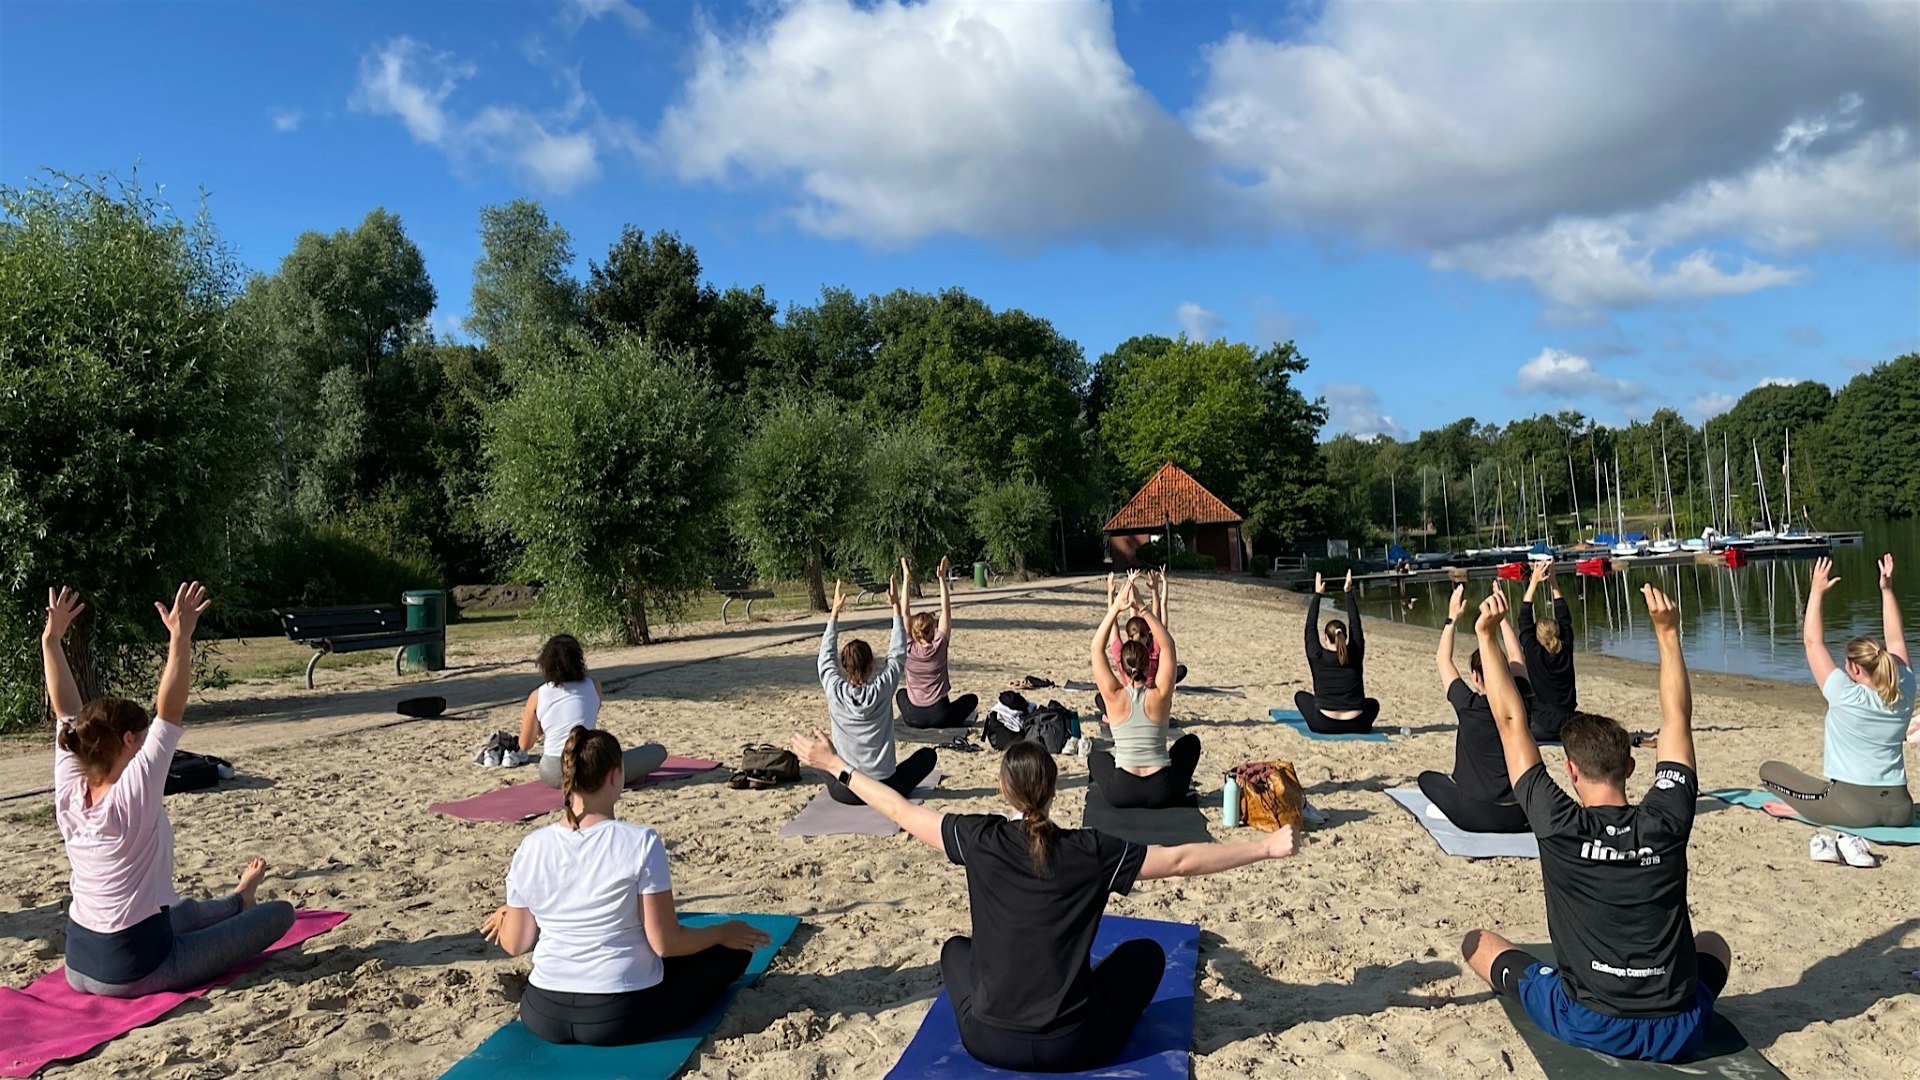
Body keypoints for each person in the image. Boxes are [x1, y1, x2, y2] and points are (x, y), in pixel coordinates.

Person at [788, 732, 1297, 1072]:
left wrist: (834, 763)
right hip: (1074, 1046)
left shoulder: (979, 839)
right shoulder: (1092, 850)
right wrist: (1267, 847)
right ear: (1055, 791)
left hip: (985, 1039)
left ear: (1004, 791)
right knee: (1144, 955)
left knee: (953, 951)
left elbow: (898, 808)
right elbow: (1183, 860)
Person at [1461, 584, 1733, 1064]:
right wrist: (1668, 635)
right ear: (1630, 769)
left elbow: (1510, 723)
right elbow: (1677, 720)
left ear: (1570, 770)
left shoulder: (1557, 822)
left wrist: (1487, 636)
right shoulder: (1666, 818)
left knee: (1477, 943)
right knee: (1714, 946)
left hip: (1589, 1021)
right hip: (1678, 1028)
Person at [44, 582, 296, 997]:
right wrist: (181, 637)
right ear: (128, 740)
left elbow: (65, 709)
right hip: (134, 969)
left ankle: (237, 898)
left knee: (181, 911)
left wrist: (51, 640)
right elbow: (170, 710)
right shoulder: (133, 792)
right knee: (279, 915)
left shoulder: (73, 782)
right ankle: (243, 909)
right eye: (140, 738)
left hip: (79, 960)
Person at [481, 728, 772, 1046]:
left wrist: (508, 912)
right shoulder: (640, 841)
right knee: (731, 953)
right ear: (615, 775)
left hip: (542, 1012)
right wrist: (722, 932)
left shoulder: (531, 846)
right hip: (618, 1015)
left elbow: (516, 943)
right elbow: (665, 943)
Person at [1760, 555, 1913, 840]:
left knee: (1769, 770)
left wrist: (1816, 591)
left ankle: (1805, 809)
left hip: (1853, 809)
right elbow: (1896, 640)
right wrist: (1887, 589)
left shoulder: (1846, 694)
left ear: (1855, 668)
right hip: (1901, 809)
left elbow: (1812, 642)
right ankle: (1815, 807)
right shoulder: (1904, 686)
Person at [1420, 585, 1531, 833]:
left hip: (1477, 814)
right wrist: (1500, 621)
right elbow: (1516, 657)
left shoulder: (1469, 705)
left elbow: (1442, 659)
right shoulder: (1524, 699)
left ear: (1475, 676)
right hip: (1519, 814)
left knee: (1427, 779)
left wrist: (1452, 617)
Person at [1085, 573, 1199, 809]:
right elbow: (1168, 644)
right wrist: (1143, 607)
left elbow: (1096, 648)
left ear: (1123, 668)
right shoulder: (1160, 694)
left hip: (1122, 792)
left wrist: (1116, 607)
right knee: (1191, 744)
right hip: (1163, 791)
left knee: (1095, 758)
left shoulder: (1113, 696)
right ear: (1149, 665)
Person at [820, 578, 936, 805]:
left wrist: (834, 613)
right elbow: (897, 653)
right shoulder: (883, 688)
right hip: (884, 788)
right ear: (872, 664)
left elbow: (825, 658)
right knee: (927, 757)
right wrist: (895, 607)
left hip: (846, 789)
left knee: (819, 759)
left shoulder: (834, 689)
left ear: (845, 666)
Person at [519, 634, 666, 789]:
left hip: (552, 770)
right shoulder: (593, 686)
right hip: (589, 766)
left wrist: (541, 728)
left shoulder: (537, 696)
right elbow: (585, 717)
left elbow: (525, 744)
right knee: (657, 751)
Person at [897, 556, 979, 729]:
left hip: (913, 717)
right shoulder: (940, 644)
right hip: (940, 715)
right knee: (972, 700)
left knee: (901, 694)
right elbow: (946, 610)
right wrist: (941, 578)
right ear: (932, 631)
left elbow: (904, 611)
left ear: (914, 631)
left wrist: (905, 577)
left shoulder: (907, 646)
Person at [1297, 569, 1379, 734]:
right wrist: (1348, 592)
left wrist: (1317, 594)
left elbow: (1309, 628)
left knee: (1300, 696)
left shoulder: (1316, 655)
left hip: (1323, 724)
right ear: (1346, 637)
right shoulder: (1355, 652)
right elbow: (1356, 624)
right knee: (1373, 704)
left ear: (1325, 638)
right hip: (1357, 723)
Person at [1518, 561, 1577, 742]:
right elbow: (1564, 618)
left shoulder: (1534, 653)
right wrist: (1553, 583)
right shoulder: (1564, 648)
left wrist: (1533, 582)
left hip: (1541, 725)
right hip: (1568, 724)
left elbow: (1524, 621)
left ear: (1538, 639)